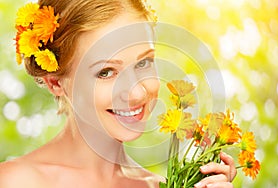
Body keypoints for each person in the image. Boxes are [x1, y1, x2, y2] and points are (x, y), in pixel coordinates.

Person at [0, 0, 237, 187]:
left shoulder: (160, 186)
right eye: (106, 72)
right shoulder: (15, 182)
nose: (136, 92)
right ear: (55, 83)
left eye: (143, 63)